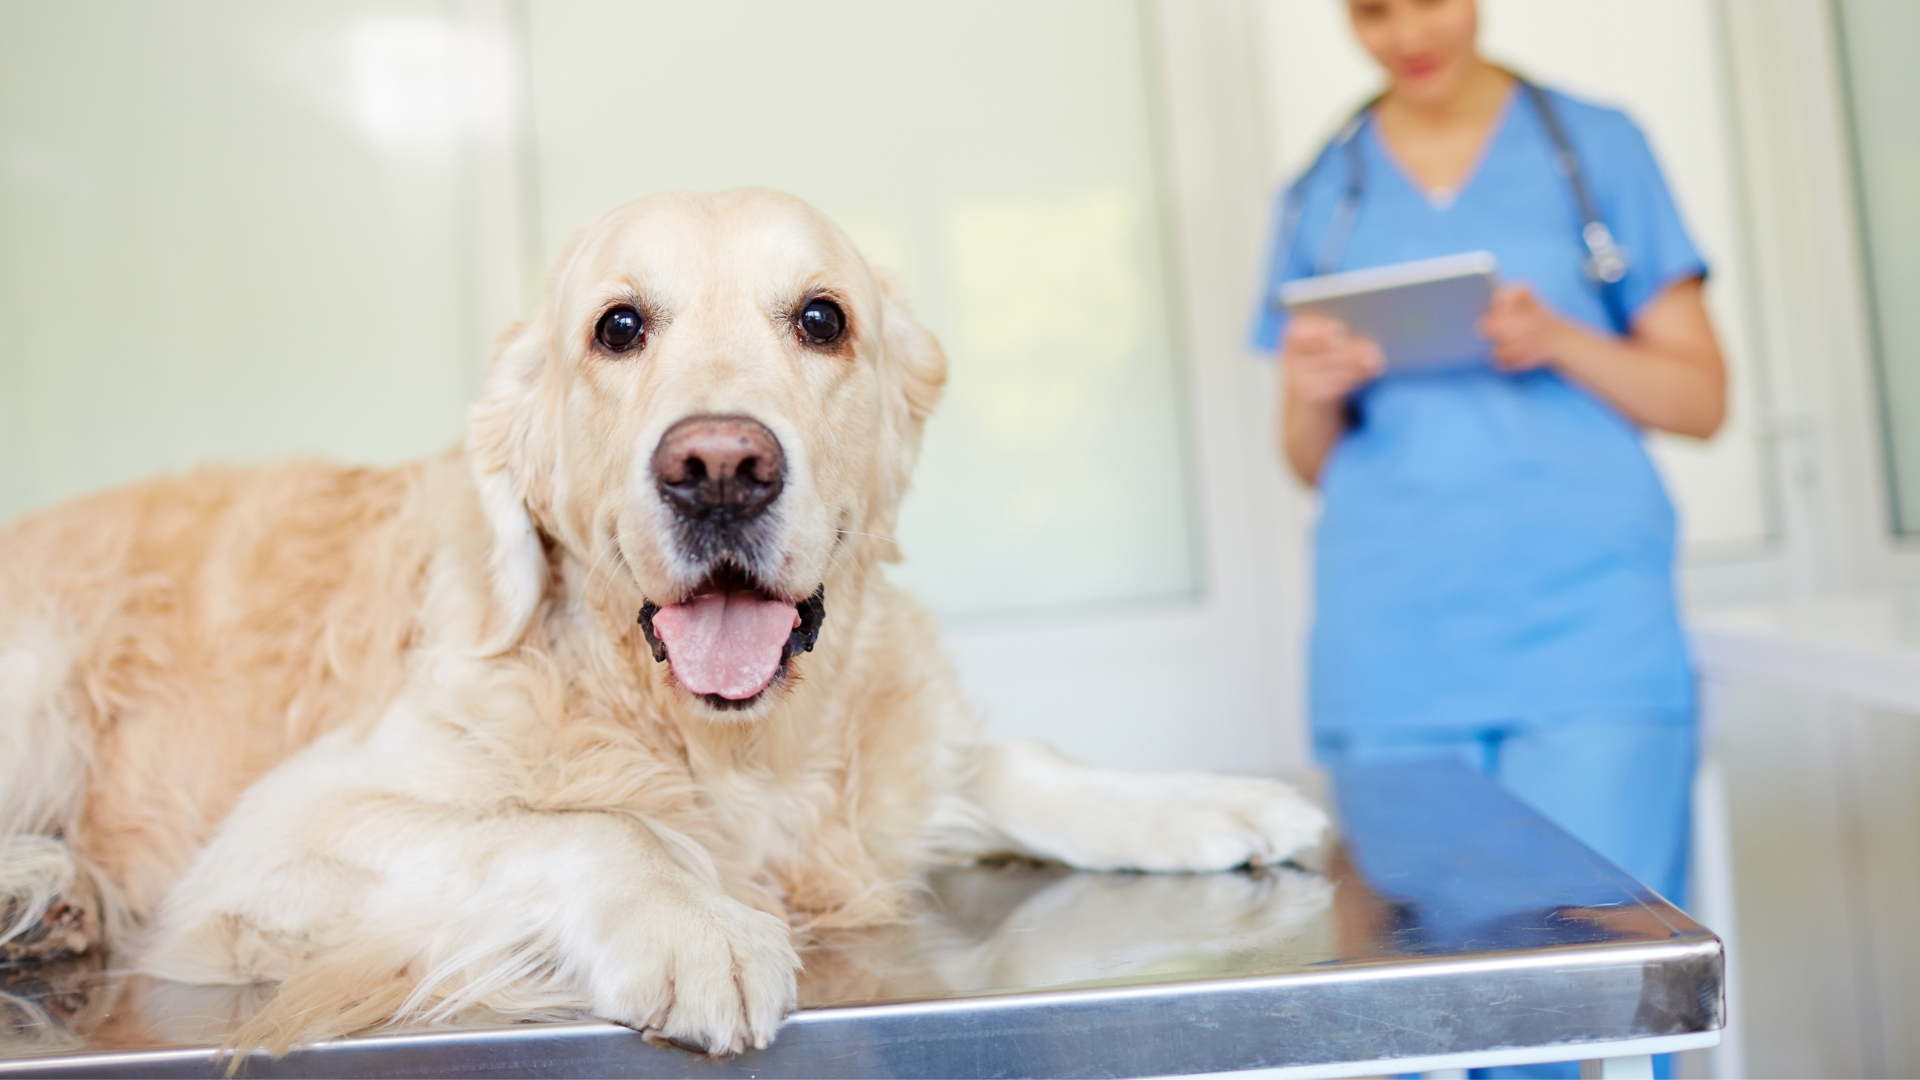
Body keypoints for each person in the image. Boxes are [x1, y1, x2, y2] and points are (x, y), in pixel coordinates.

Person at [1249, 4, 1724, 1073]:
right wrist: (1315, 390)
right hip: (1393, 656)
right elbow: (1309, 458)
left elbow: (1701, 398)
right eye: (1372, 10)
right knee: (1417, 1023)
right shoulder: (1323, 192)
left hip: (1588, 639)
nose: (1405, 32)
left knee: (1591, 1011)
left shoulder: (1596, 149)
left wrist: (1556, 338)